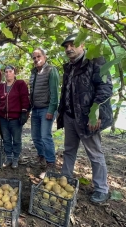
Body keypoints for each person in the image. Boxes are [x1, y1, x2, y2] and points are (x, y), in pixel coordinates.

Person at [57, 34, 113, 204]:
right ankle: (65, 179)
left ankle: (102, 189)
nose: (68, 49)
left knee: (95, 153)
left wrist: (95, 113)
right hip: (70, 116)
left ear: (82, 44)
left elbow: (105, 88)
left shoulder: (96, 62)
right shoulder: (69, 67)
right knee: (68, 150)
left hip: (88, 119)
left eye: (72, 45)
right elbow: (66, 92)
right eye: (66, 46)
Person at [29, 48, 59, 170]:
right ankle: (41, 156)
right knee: (35, 136)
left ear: (44, 57)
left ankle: (51, 162)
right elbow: (32, 92)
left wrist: (51, 110)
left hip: (46, 108)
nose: (36, 59)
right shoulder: (34, 72)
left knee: (45, 136)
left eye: (38, 56)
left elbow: (54, 92)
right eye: (34, 58)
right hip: (35, 109)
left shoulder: (51, 70)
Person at [0, 66, 30, 168]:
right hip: (3, 118)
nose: (8, 73)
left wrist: (24, 112)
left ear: (14, 73)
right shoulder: (1, 86)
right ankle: (9, 158)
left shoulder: (20, 84)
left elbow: (25, 98)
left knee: (16, 139)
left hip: (15, 117)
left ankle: (15, 158)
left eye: (10, 71)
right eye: (6, 72)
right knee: (6, 138)